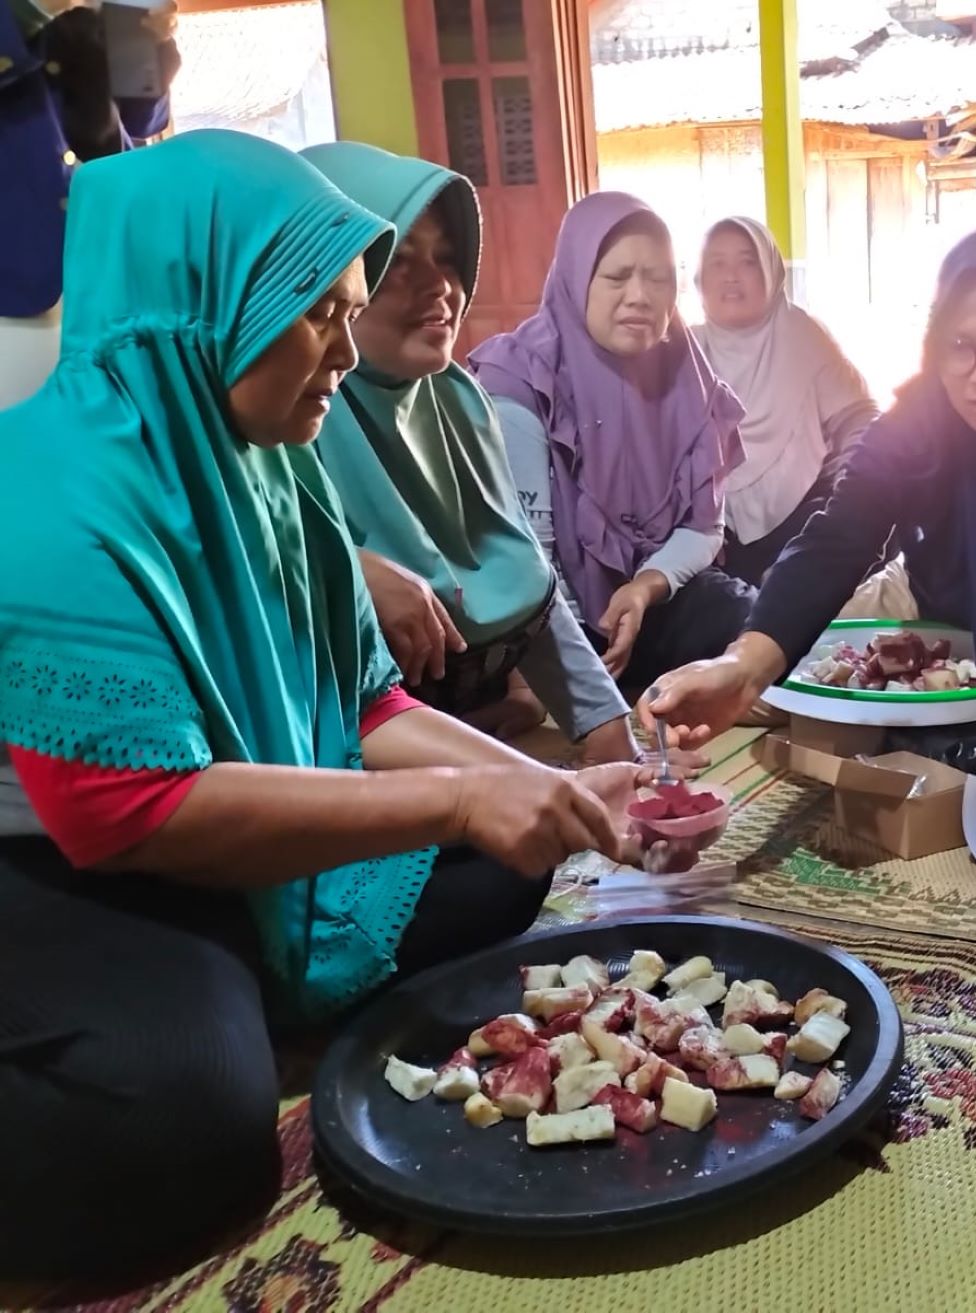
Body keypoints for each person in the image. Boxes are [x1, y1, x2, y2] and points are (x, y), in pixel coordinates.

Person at [0, 132, 649, 1283]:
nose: (346, 353)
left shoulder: (272, 457)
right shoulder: (48, 491)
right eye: (318, 315)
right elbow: (124, 809)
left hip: (210, 809)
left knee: (512, 862)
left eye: (353, 313)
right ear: (205, 304)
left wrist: (530, 786)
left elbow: (363, 699)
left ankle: (239, 974)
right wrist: (457, 799)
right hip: (57, 858)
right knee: (185, 1129)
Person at [641, 225, 976, 771]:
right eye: (960, 347)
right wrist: (744, 660)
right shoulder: (921, 417)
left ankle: (918, 719)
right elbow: (843, 530)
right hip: (926, 597)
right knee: (784, 679)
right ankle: (923, 715)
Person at [303, 142, 635, 760]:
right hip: (354, 774)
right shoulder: (294, 418)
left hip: (479, 752)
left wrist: (607, 732)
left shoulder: (457, 401)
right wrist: (345, 570)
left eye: (449, 259)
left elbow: (518, 566)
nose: (441, 289)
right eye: (398, 262)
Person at [472, 193, 756, 691]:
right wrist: (584, 657)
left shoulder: (689, 378)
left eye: (659, 278)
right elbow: (531, 559)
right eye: (617, 277)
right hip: (549, 615)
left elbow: (704, 527)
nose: (641, 297)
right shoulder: (522, 380)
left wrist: (644, 589)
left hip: (649, 602)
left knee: (751, 621)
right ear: (577, 279)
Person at [0, 0, 180, 407]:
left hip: (108, 283)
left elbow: (141, 121)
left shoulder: (86, 24)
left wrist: (143, 40)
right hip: (15, 300)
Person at [695, 216, 880, 583]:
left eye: (747, 261)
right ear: (699, 279)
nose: (731, 275)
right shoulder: (684, 351)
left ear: (770, 271)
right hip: (711, 536)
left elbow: (860, 420)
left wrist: (853, 498)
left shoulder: (804, 337)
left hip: (801, 523)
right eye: (717, 263)